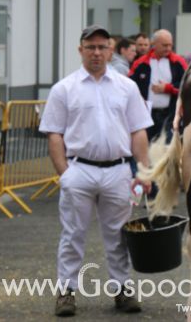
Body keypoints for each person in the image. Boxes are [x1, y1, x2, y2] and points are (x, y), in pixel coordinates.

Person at [39, 25, 153, 317]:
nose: (97, 53)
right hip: (80, 170)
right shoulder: (64, 89)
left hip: (118, 171)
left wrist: (143, 171)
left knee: (118, 235)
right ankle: (66, 292)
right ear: (80, 50)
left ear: (111, 50)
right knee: (72, 234)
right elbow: (54, 135)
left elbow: (138, 131)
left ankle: (122, 289)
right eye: (90, 47)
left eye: (102, 47)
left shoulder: (127, 87)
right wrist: (65, 174)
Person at [129, 29, 187, 143]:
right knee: (146, 147)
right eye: (165, 45)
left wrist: (168, 88)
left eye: (170, 45)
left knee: (167, 149)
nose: (168, 48)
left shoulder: (178, 62)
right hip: (145, 116)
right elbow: (129, 86)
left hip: (169, 115)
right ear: (153, 44)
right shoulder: (140, 63)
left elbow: (187, 85)